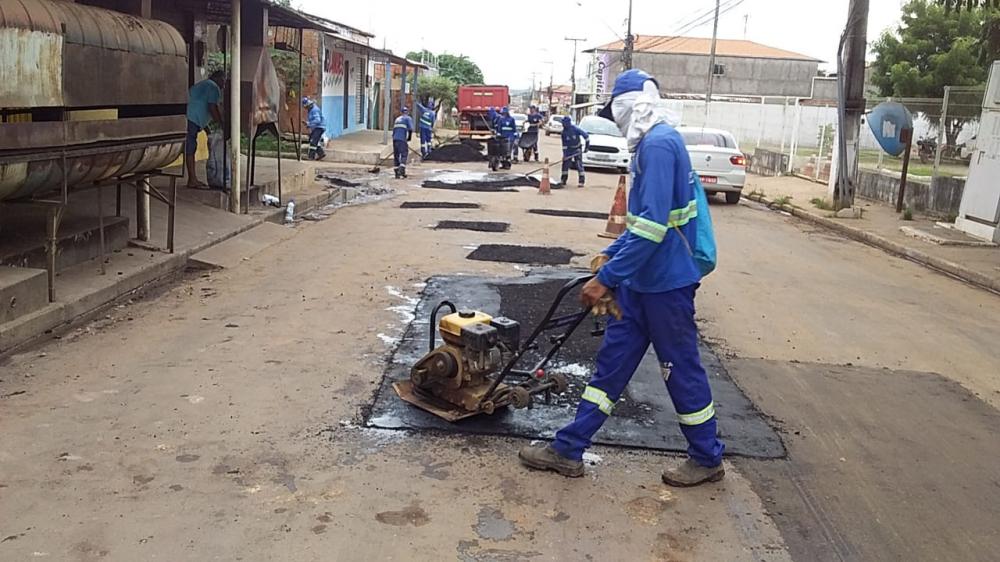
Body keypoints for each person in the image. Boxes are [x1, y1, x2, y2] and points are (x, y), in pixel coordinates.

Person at [518, 69, 726, 487]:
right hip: (642, 284)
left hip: (665, 284)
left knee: (679, 369)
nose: (615, 120)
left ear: (631, 105)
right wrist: (610, 256)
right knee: (610, 368)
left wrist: (608, 277)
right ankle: (567, 449)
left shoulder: (661, 145)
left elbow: (652, 228)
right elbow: (643, 222)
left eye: (617, 110)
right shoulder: (653, 143)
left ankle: (706, 458)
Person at [185, 71, 225, 188]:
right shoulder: (214, 87)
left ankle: (192, 179)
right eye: (223, 80)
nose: (224, 84)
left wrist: (207, 130)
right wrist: (222, 123)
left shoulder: (203, 84)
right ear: (217, 78)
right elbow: (212, 108)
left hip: (186, 116)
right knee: (190, 148)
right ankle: (192, 179)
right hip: (191, 119)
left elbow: (199, 104)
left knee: (190, 147)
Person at [559, 116, 589, 187]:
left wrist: (586, 148)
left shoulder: (575, 129)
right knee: (565, 164)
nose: (562, 124)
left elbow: (586, 137)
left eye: (564, 123)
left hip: (577, 149)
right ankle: (563, 179)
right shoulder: (563, 133)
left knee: (578, 164)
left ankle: (581, 181)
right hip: (569, 150)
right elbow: (564, 145)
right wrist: (565, 155)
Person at [392, 106, 415, 178]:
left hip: (395, 139)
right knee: (404, 154)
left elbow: (394, 130)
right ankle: (401, 170)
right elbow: (411, 129)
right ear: (407, 112)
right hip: (402, 139)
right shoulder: (408, 118)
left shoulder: (397, 119)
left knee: (396, 155)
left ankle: (397, 173)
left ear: (401, 112)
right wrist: (409, 138)